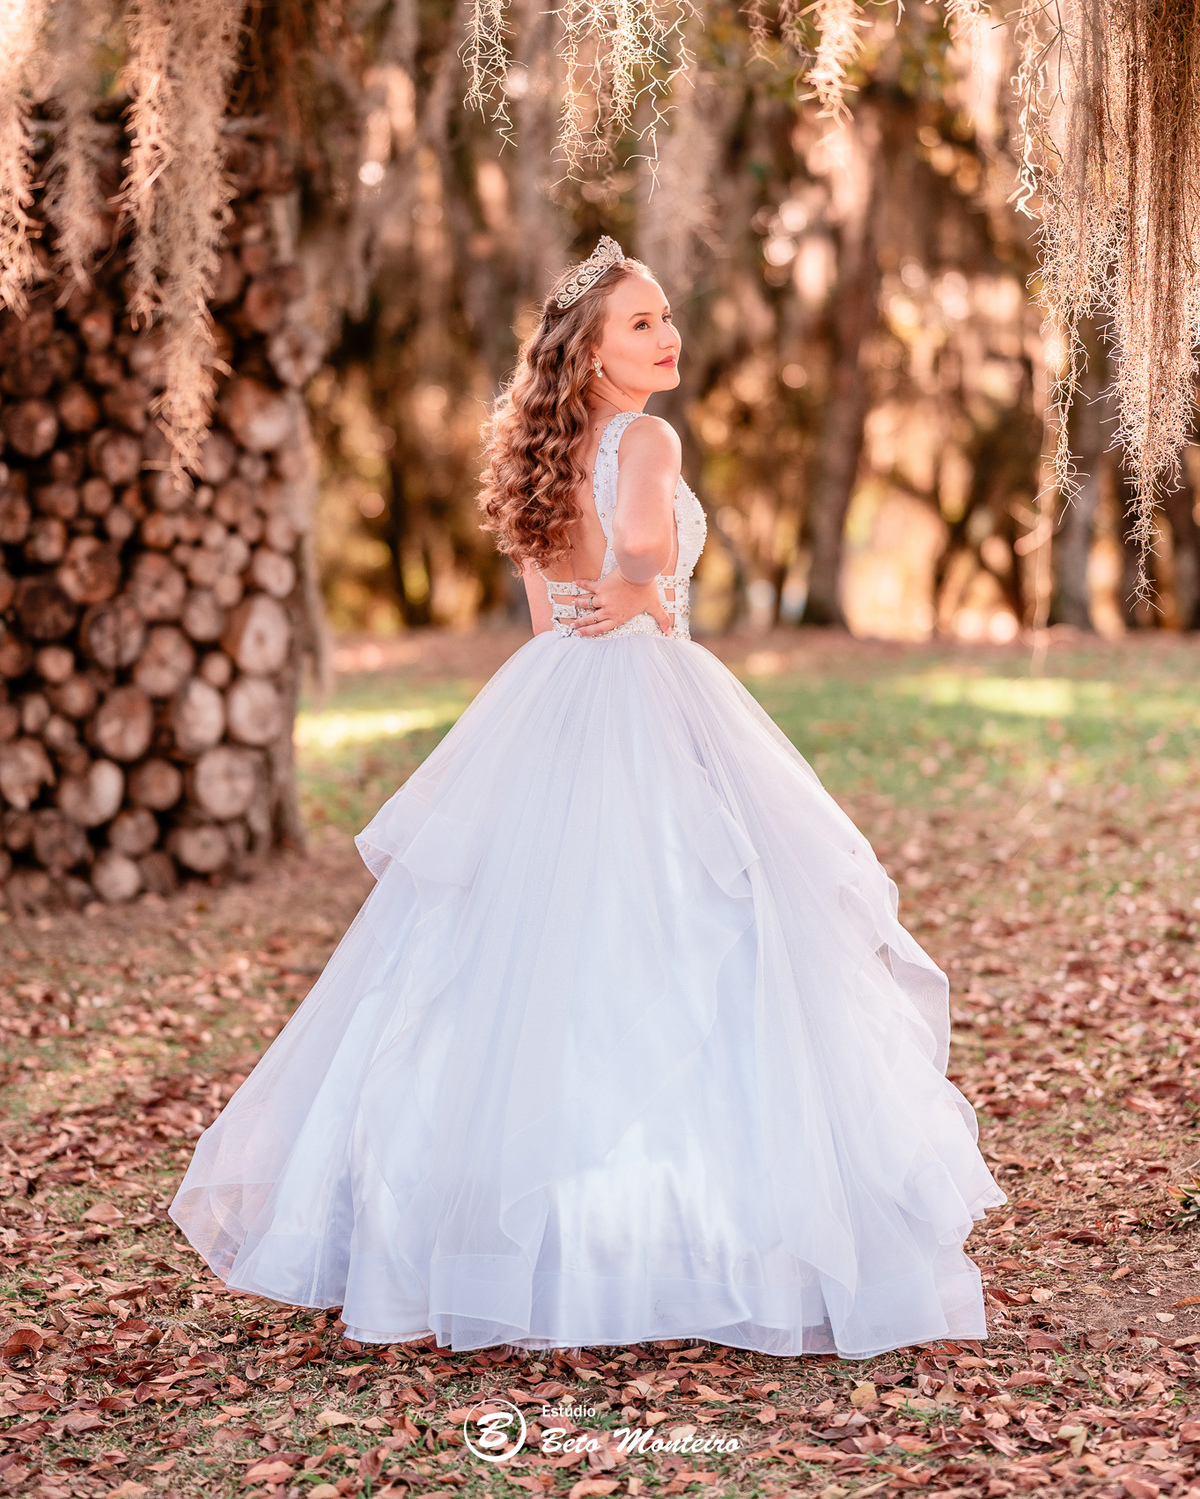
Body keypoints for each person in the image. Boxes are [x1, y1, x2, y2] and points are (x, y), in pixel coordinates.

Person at [169, 237, 1006, 1359]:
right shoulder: (648, 438)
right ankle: (685, 1242)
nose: (669, 339)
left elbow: (541, 610)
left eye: (665, 319)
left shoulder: (537, 448)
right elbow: (645, 554)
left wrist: (595, 625)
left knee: (522, 955)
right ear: (592, 353)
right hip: (640, 685)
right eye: (643, 325)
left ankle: (506, 1239)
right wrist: (645, 599)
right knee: (688, 934)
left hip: (549, 692)